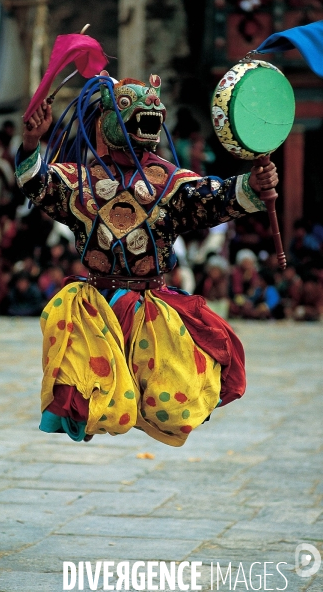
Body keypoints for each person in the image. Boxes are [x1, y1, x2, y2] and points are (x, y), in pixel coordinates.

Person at [15, 72, 279, 447]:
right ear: (106, 122)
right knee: (85, 400)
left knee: (172, 406)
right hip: (92, 309)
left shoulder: (173, 182)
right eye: (127, 106)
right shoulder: (78, 182)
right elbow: (36, 182)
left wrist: (253, 185)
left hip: (151, 309)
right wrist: (30, 141)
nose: (151, 108)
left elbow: (214, 196)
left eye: (155, 104)